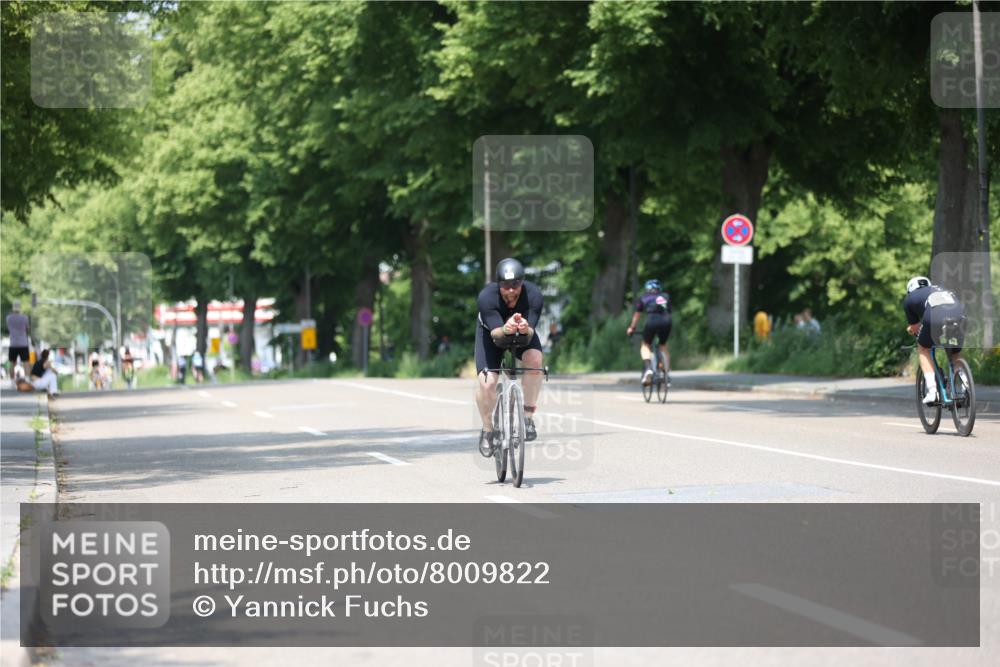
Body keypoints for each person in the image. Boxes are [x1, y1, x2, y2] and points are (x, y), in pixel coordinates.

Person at [475, 258, 545, 455]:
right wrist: (505, 328)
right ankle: (488, 430)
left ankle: (528, 417)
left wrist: (525, 329)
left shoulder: (534, 296)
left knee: (535, 361)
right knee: (487, 383)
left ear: (522, 283)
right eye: (506, 286)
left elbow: (530, 334)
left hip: (522, 334)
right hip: (492, 334)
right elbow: (497, 335)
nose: (511, 291)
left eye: (516, 285)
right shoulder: (487, 297)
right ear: (498, 285)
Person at [902, 276, 965, 405]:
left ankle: (932, 391)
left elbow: (915, 327)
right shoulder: (941, 289)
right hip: (959, 315)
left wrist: (911, 330)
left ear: (910, 289)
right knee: (954, 353)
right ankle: (966, 386)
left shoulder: (910, 298)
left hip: (935, 316)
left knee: (923, 349)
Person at [626, 279, 672, 386]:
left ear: (647, 289)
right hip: (667, 322)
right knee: (663, 346)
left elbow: (637, 315)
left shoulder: (644, 298)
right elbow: (669, 311)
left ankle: (648, 369)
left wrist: (632, 328)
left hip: (652, 321)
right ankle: (666, 374)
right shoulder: (666, 296)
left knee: (645, 345)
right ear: (659, 289)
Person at [6, 300, 31, 385]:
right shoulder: (25, 317)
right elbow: (27, 329)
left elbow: (9, 329)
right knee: (26, 362)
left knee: (12, 363)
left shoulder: (8, 318)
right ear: (20, 308)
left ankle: (12, 381)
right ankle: (27, 380)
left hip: (13, 343)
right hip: (23, 343)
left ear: (13, 308)